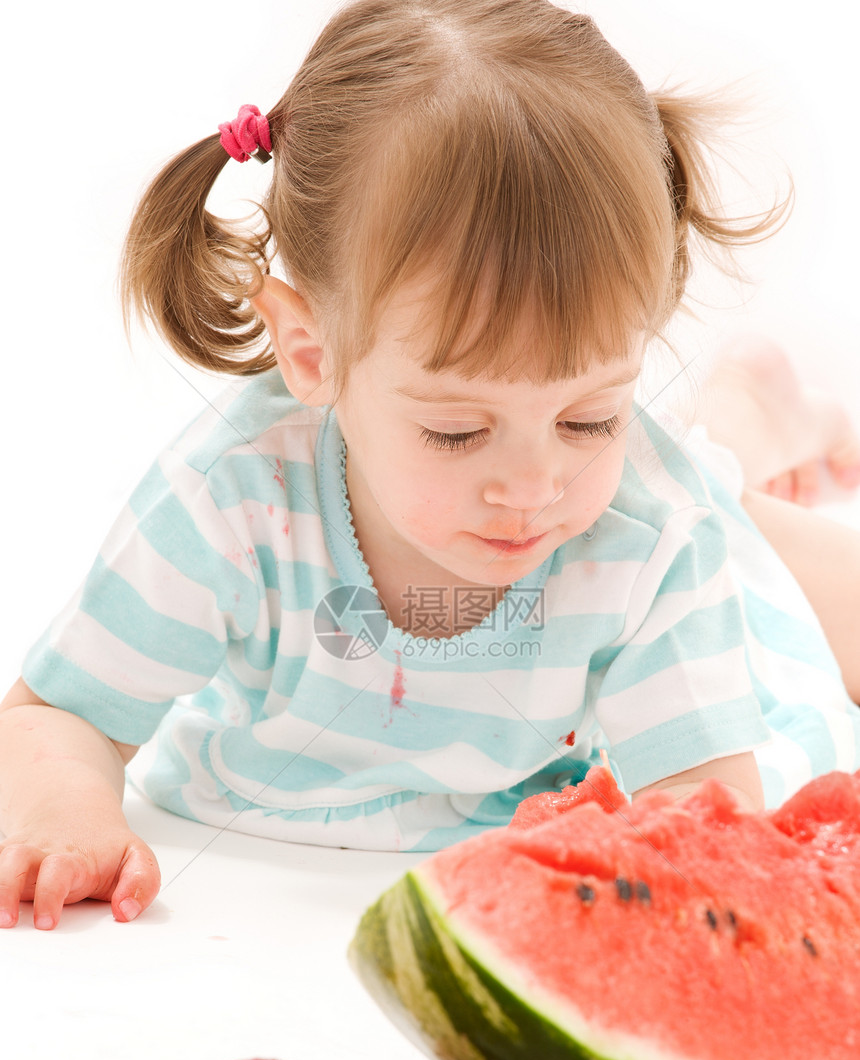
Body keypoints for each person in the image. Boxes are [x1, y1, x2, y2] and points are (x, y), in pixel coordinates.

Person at [1, 0, 859, 931]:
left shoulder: (646, 528)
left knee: (757, 555)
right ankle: (741, 423)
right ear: (312, 352)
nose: (533, 488)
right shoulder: (231, 499)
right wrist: (65, 812)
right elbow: (59, 712)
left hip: (675, 531)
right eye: (458, 431)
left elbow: (703, 816)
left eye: (590, 416)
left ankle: (747, 423)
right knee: (683, 491)